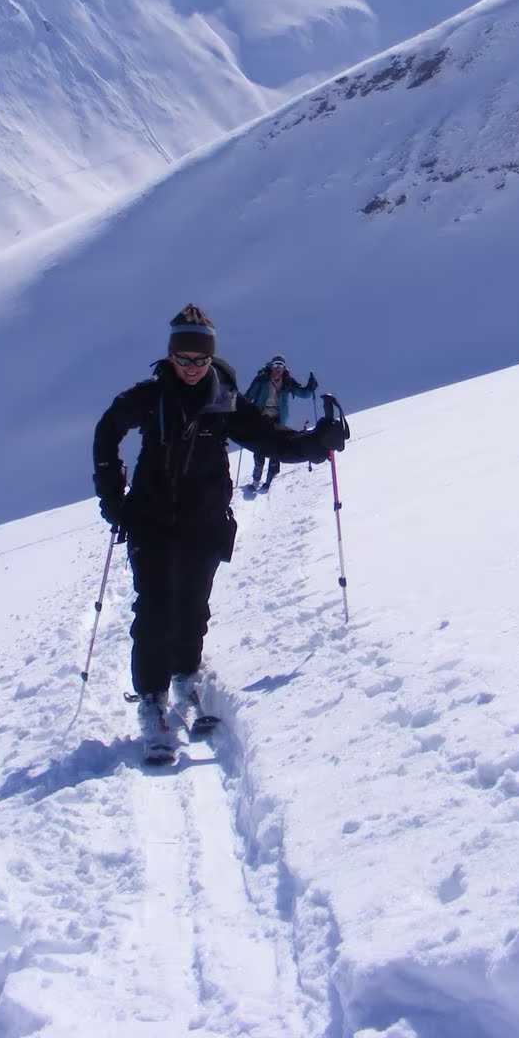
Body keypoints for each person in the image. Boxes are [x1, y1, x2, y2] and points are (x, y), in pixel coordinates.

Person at [92, 304, 346, 756]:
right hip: (151, 519)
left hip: (205, 520)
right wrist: (113, 496)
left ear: (211, 358)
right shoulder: (151, 396)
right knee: (155, 609)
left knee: (193, 606)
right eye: (183, 358)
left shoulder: (225, 399)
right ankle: (152, 701)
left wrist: (314, 444)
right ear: (171, 356)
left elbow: (269, 437)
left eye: (201, 359)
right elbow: (107, 430)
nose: (192, 368)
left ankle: (185, 679)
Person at [244, 354, 318, 492]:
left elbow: (303, 394)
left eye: (281, 365)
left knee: (275, 449)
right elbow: (249, 396)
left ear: (284, 368)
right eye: (276, 365)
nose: (278, 368)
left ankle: (269, 481)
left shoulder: (287, 381)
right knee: (260, 448)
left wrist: (310, 388)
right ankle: (256, 480)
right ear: (271, 366)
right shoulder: (262, 379)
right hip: (261, 417)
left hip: (278, 419)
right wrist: (243, 408)